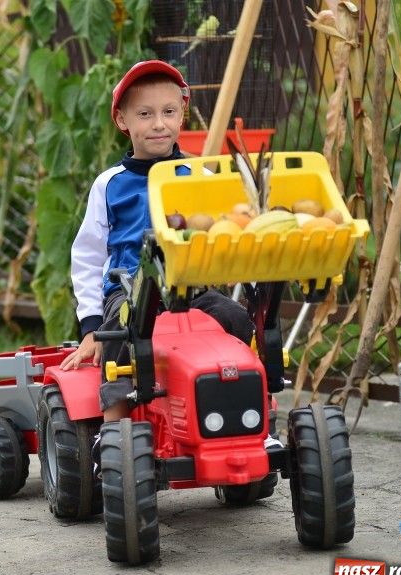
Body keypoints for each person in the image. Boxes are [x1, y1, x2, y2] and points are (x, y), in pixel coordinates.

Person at [57, 61, 278, 462]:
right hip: (128, 291)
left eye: (169, 112)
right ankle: (112, 438)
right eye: (145, 114)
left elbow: (222, 229)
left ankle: (256, 422)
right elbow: (88, 257)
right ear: (123, 120)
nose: (159, 124)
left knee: (238, 321)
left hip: (192, 289)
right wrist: (90, 327)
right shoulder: (109, 184)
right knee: (119, 340)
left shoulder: (199, 173)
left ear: (183, 114)